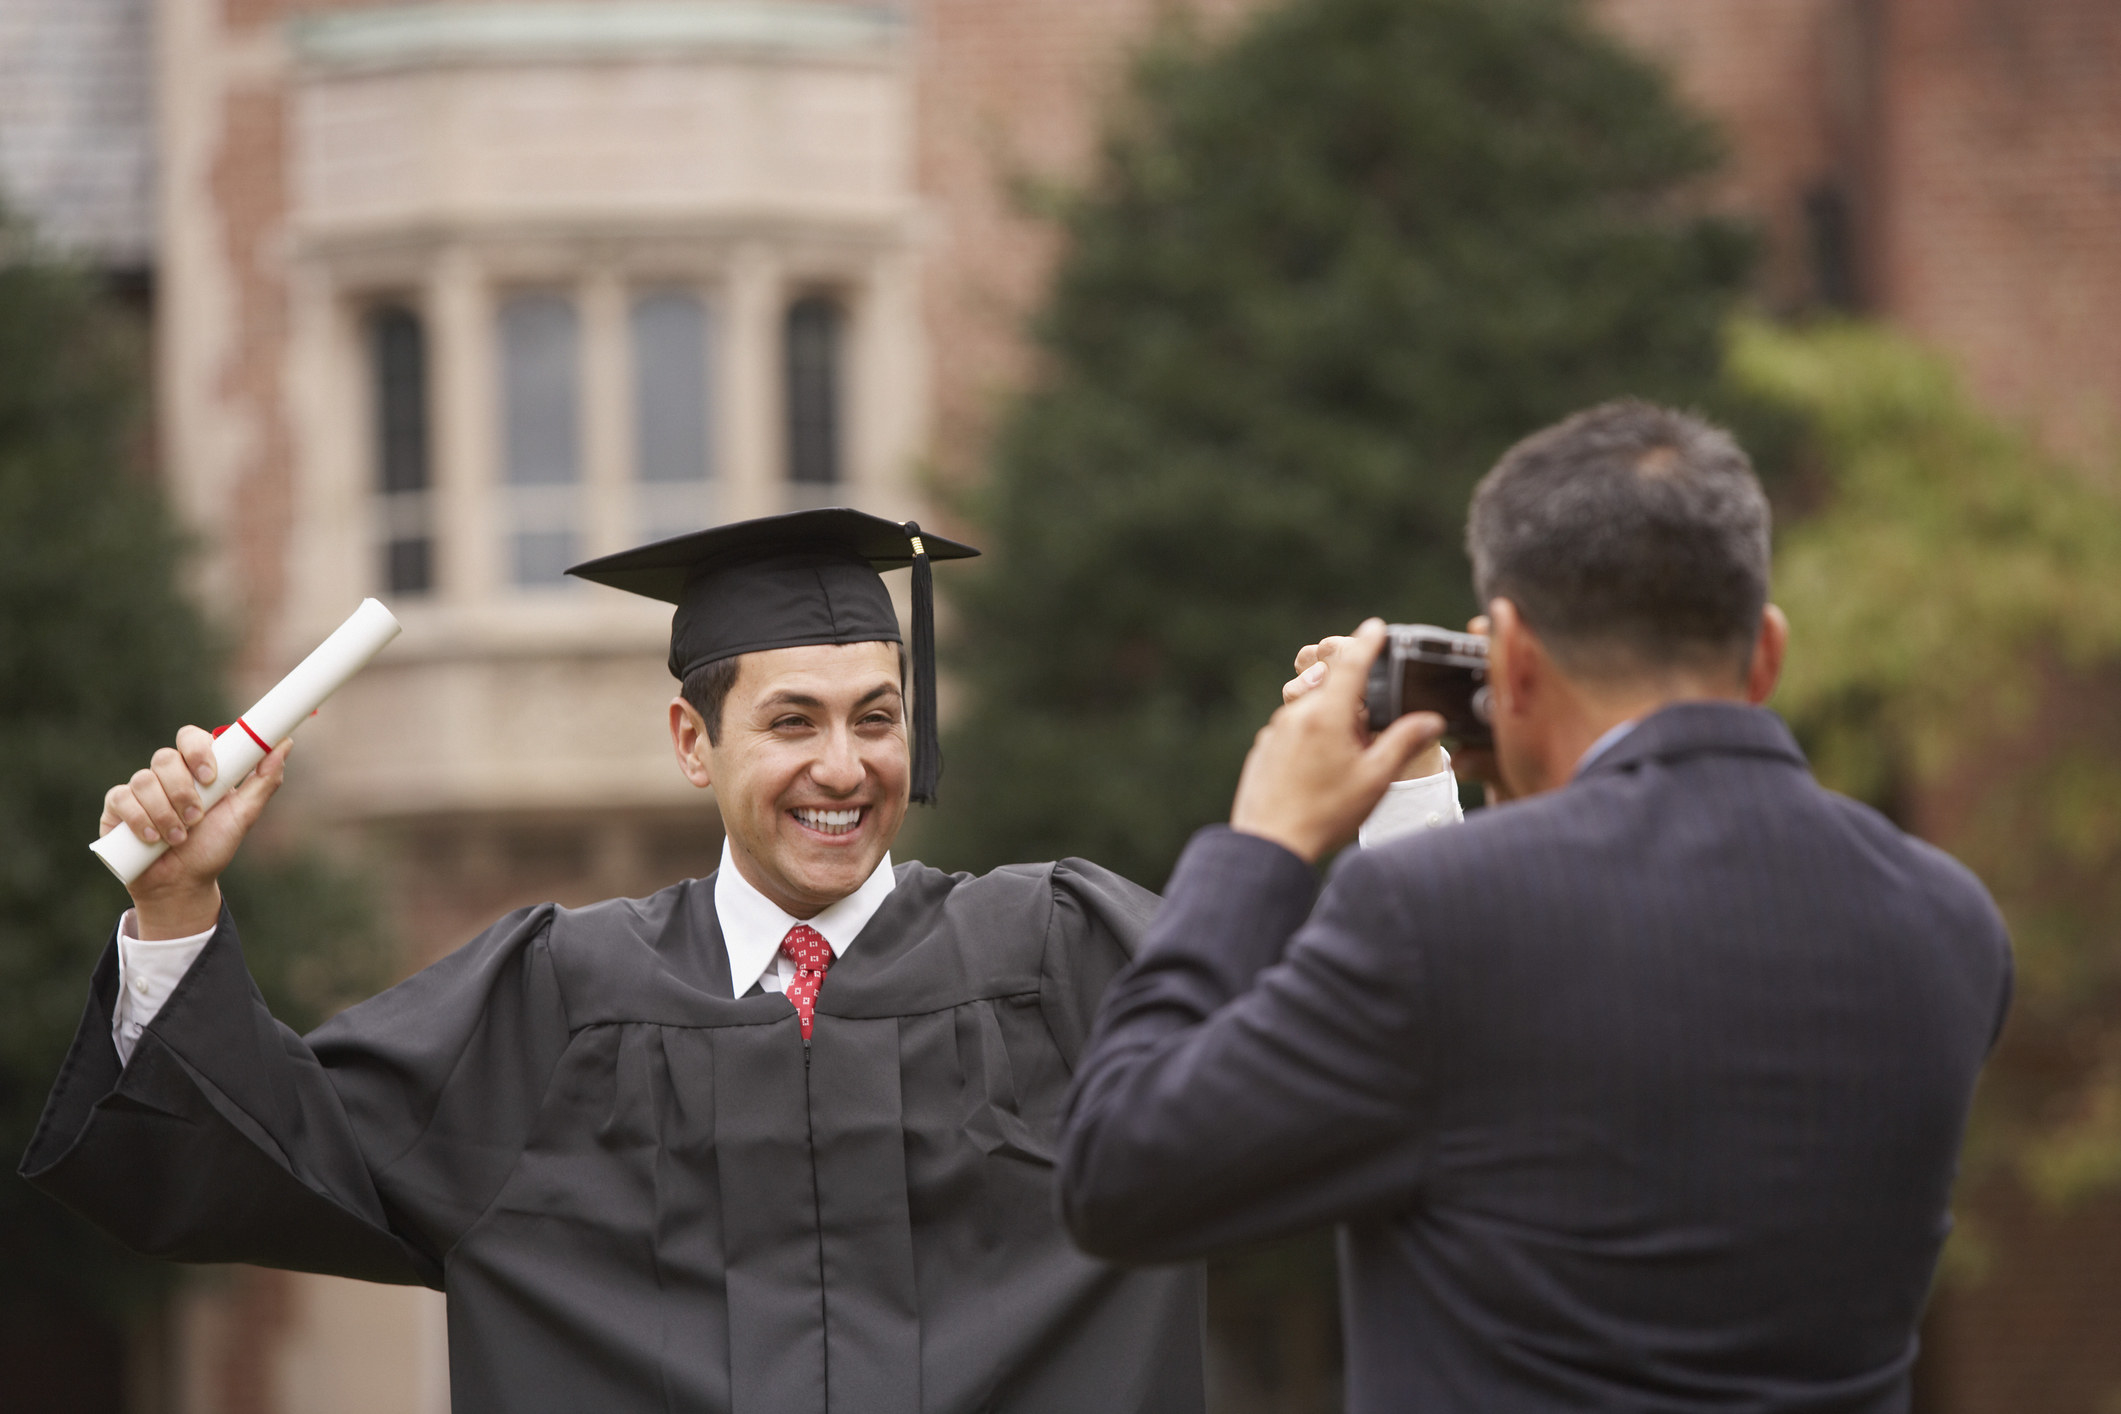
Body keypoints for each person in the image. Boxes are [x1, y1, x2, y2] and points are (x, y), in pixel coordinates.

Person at [24, 509, 1463, 1413]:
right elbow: (256, 1151)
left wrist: (1402, 786)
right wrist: (174, 911)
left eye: (878, 714)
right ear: (691, 741)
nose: (844, 764)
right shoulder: (552, 998)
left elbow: (1370, 1064)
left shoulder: (1064, 957)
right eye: (791, 721)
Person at [1056, 402, 2014, 1412]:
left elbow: (1121, 1172)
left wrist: (1265, 838)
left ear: (1509, 656)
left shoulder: (1434, 921)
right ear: (1766, 652)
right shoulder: (1950, 922)